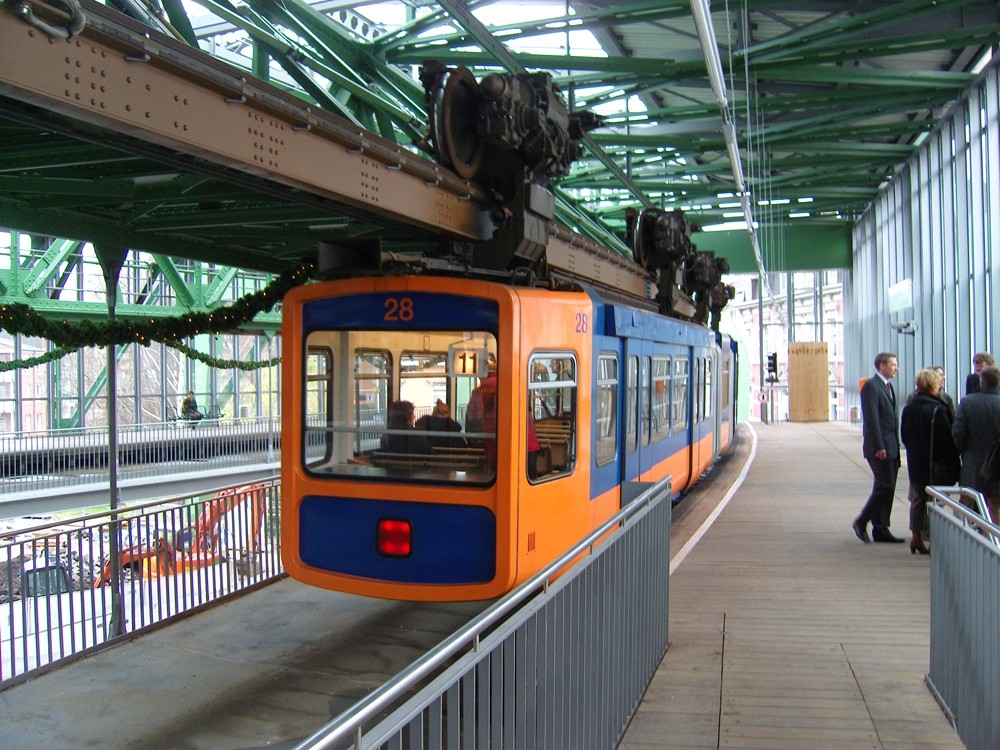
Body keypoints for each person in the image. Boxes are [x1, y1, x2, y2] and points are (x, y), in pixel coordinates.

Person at [900, 368, 960, 554]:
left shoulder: (909, 408)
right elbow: (947, 441)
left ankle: (916, 537)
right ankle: (935, 539)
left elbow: (904, 436)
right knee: (937, 501)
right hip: (937, 464)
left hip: (916, 462)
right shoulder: (938, 409)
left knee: (918, 500)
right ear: (933, 385)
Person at [853, 352, 904, 543]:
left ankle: (881, 528)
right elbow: (872, 420)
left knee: (887, 487)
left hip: (891, 447)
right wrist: (879, 446)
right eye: (893, 364)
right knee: (885, 485)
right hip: (879, 448)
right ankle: (862, 520)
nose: (896, 368)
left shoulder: (888, 387)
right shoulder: (871, 387)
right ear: (882, 366)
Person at [952, 365, 1000, 523]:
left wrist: (962, 450)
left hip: (972, 461)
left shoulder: (967, 402)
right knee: (995, 505)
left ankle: (959, 538)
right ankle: (994, 542)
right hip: (998, 464)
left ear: (982, 382)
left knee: (966, 501)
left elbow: (958, 432)